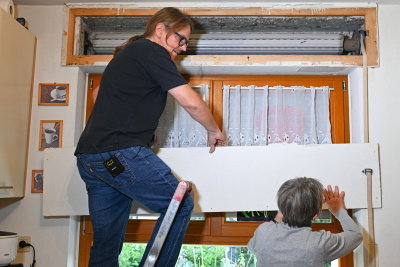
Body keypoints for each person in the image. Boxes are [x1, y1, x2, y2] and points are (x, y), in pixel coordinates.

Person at [75, 7, 226, 267]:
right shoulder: (153, 51)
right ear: (160, 30)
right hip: (119, 154)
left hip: (92, 160)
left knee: (106, 246)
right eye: (181, 39)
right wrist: (214, 131)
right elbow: (191, 103)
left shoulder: (125, 57)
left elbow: (96, 95)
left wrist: (140, 125)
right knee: (180, 205)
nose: (183, 47)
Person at [247, 177, 363, 267]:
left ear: (281, 207)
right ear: (315, 215)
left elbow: (252, 248)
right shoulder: (319, 243)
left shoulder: (263, 232)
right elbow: (355, 235)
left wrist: (280, 216)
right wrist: (339, 211)